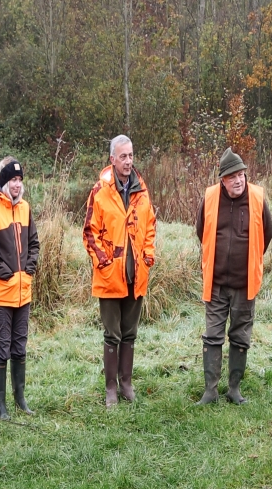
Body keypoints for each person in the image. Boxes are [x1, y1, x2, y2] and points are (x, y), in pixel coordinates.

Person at [195, 147, 272, 405]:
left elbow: (267, 233)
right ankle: (210, 391)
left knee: (240, 336)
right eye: (232, 177)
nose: (239, 180)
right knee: (212, 335)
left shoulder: (257, 198)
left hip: (244, 283)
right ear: (222, 180)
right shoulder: (210, 198)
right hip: (216, 283)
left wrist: (249, 260)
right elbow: (201, 231)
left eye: (241, 174)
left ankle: (234, 389)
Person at [82, 135, 156, 408]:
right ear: (112, 159)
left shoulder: (141, 190)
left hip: (136, 274)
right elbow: (89, 232)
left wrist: (147, 257)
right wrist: (104, 262)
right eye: (123, 156)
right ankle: (111, 388)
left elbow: (150, 226)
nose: (128, 161)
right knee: (112, 334)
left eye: (131, 156)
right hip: (110, 276)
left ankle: (126, 384)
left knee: (130, 333)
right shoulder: (100, 191)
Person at [0, 157, 40, 419]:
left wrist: (28, 269)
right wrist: (6, 274)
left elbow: (34, 243)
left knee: (20, 347)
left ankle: (20, 399)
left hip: (23, 293)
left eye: (19, 180)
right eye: (12, 180)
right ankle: (0, 406)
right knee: (2, 348)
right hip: (1, 293)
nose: (17, 184)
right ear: (4, 182)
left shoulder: (25, 208)